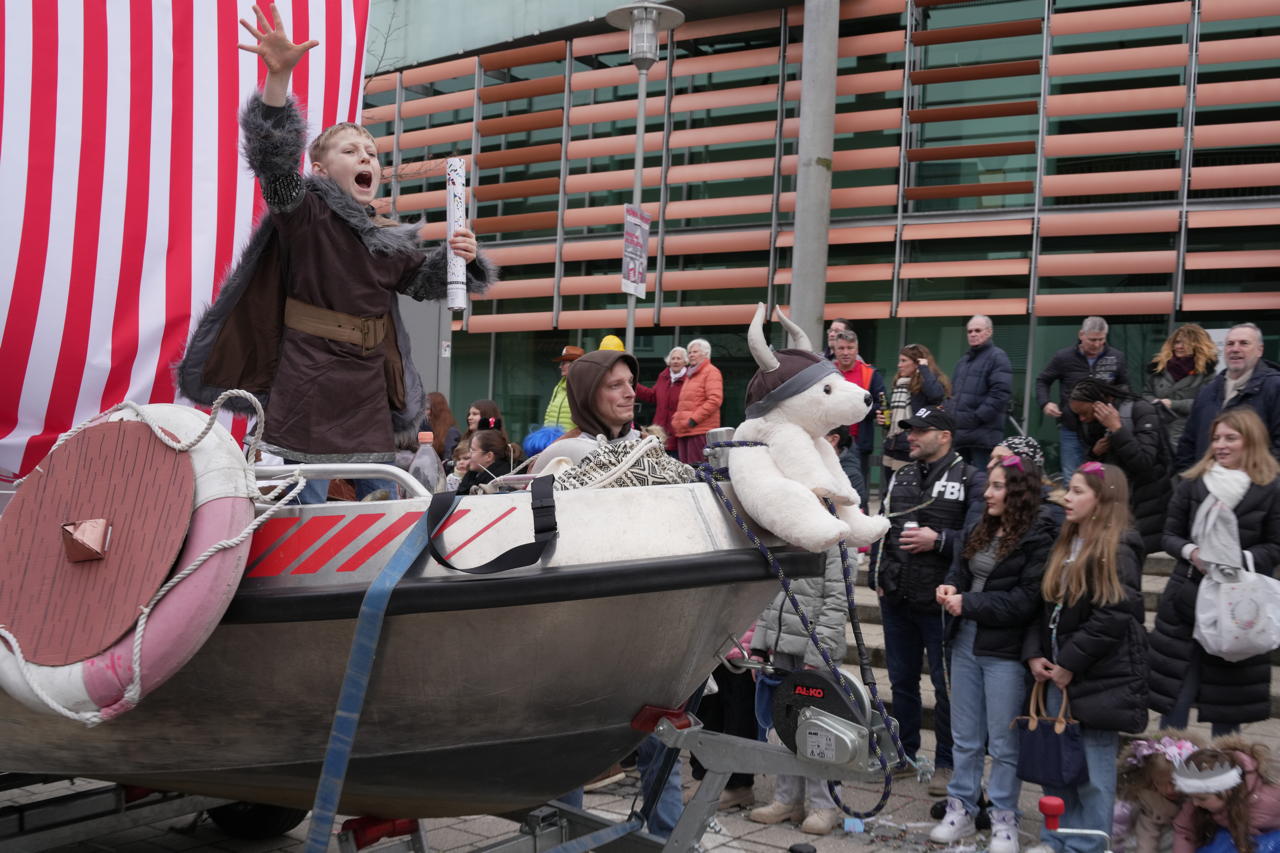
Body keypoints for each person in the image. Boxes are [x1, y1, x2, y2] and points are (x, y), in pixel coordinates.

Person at [178, 4, 494, 505]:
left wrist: (462, 257)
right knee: (307, 507)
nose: (366, 157)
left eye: (371, 152)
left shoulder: (386, 236)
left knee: (390, 506)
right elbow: (274, 162)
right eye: (350, 151)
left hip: (369, 384)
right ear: (322, 171)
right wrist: (277, 79)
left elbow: (426, 281)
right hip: (310, 381)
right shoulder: (304, 214)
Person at [930, 452, 1061, 852]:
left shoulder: (1039, 534)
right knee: (965, 736)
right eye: (989, 485)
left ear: (1018, 492)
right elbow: (960, 569)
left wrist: (968, 603)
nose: (988, 493)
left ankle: (1005, 818)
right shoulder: (979, 524)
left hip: (1005, 650)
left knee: (1004, 743)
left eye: (998, 486)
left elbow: (1025, 601)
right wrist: (951, 586)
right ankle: (962, 809)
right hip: (965, 641)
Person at [1023, 462, 1149, 853]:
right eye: (1069, 490)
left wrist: (1071, 663)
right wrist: (1034, 655)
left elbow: (1114, 613)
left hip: (1098, 680)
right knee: (1057, 767)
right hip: (1057, 676)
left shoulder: (1119, 547)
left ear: (1103, 500)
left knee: (1094, 772)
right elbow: (1044, 608)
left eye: (1078, 491)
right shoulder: (1066, 542)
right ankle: (1056, 839)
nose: (1067, 498)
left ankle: (1090, 844)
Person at [868, 406, 986, 798]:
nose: (911, 437)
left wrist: (939, 541)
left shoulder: (971, 478)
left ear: (945, 436)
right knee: (901, 681)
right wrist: (877, 578)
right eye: (909, 431)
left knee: (945, 685)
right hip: (897, 595)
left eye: (920, 431)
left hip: (941, 600)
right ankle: (903, 755)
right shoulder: (900, 474)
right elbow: (884, 529)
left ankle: (947, 764)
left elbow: (980, 538)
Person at [1149, 407, 1280, 737]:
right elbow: (1169, 535)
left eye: (1230, 438)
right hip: (1186, 603)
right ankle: (1170, 771)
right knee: (1176, 698)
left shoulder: (1270, 488)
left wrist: (1238, 559)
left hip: (1240, 608)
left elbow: (1276, 545)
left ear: (1250, 441)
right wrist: (1191, 552)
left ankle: (1222, 783)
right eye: (1216, 438)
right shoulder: (1192, 483)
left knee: (1228, 706)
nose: (1221, 445)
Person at [747, 546, 850, 836]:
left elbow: (837, 601)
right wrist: (759, 644)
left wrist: (820, 653)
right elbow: (773, 592)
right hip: (782, 647)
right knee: (784, 725)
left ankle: (824, 803)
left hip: (813, 651)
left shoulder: (838, 540)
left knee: (819, 729)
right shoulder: (792, 534)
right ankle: (786, 798)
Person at [1067, 378, 1172, 556]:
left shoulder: (1140, 410)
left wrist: (1117, 429)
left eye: (1084, 412)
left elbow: (1145, 461)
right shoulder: (1089, 425)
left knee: (1133, 559)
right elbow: (1089, 470)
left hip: (1144, 505)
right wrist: (1095, 454)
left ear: (1101, 404)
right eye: (1077, 414)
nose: (1082, 419)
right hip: (1113, 506)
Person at [1036, 317, 1129, 482]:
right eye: (1092, 340)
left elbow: (1125, 387)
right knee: (1071, 476)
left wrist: (1116, 406)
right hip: (1072, 425)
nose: (1097, 344)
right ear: (1081, 335)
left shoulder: (1116, 357)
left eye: (1101, 339)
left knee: (1102, 476)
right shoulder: (1063, 357)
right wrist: (1045, 402)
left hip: (1103, 427)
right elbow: (1043, 380)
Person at [1176, 322, 1280, 471]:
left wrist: (1256, 483)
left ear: (1260, 350)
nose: (1235, 349)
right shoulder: (1207, 392)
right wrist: (1192, 483)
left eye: (1244, 343)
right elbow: (1188, 443)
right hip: (1206, 488)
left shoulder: (1275, 387)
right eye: (1230, 344)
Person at [1172, 740, 1280, 853]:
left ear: (1227, 791)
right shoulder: (1198, 803)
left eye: (1201, 799)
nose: (1195, 803)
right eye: (1191, 797)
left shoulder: (1268, 800)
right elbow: (1185, 830)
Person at [1113, 733, 1202, 853]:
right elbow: (1147, 837)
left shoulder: (1198, 797)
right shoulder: (1151, 801)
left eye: (1174, 783)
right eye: (1160, 784)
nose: (1168, 790)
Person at [950, 315, 1014, 470]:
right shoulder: (963, 361)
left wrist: (976, 418)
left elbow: (1000, 393)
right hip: (960, 435)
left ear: (989, 332)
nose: (972, 334)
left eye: (977, 330)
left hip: (983, 436)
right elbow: (953, 394)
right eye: (969, 331)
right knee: (960, 482)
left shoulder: (997, 357)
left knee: (982, 482)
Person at [881, 344, 949, 488]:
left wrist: (923, 369)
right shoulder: (899, 384)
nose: (899, 365)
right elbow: (896, 419)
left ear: (917, 362)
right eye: (899, 361)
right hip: (892, 445)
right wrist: (885, 422)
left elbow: (936, 395)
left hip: (910, 446)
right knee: (889, 490)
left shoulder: (927, 382)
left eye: (904, 361)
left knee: (906, 489)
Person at [1144, 324, 1218, 450]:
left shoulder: (1207, 373)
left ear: (1197, 344)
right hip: (1156, 432)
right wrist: (1154, 402)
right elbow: (1145, 394)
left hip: (1188, 435)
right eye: (1176, 342)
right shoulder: (1158, 368)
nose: (1178, 346)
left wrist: (1173, 404)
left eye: (1185, 343)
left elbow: (1205, 404)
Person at [831, 330, 887, 492]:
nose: (846, 352)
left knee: (858, 491)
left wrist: (855, 408)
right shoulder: (827, 372)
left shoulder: (870, 374)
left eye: (850, 348)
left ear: (857, 349)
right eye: (841, 348)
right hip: (829, 441)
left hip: (859, 442)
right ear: (834, 350)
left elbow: (881, 405)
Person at [672, 339, 723, 465]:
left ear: (705, 354)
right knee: (686, 472)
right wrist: (676, 420)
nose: (691, 355)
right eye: (689, 352)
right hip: (685, 431)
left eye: (695, 352)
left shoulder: (711, 372)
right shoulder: (691, 374)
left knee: (698, 471)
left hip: (699, 430)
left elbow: (714, 400)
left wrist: (693, 420)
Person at [635, 346, 688, 457]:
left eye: (679, 358)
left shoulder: (690, 379)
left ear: (685, 361)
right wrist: (634, 385)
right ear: (669, 361)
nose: (675, 361)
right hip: (660, 432)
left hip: (678, 433)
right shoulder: (663, 377)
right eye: (673, 358)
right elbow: (652, 396)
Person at [454, 430, 513, 495]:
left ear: (489, 456)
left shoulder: (501, 483)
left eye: (473, 450)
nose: (469, 455)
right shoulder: (473, 476)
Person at [543, 345, 584, 430]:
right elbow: (548, 412)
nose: (560, 366)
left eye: (563, 363)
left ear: (574, 364)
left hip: (571, 440)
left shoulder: (584, 387)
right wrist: (547, 433)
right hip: (553, 439)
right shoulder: (558, 386)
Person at [422, 391, 461, 462]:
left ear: (436, 410)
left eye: (427, 409)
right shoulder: (427, 428)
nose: (425, 412)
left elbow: (449, 460)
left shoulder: (451, 432)